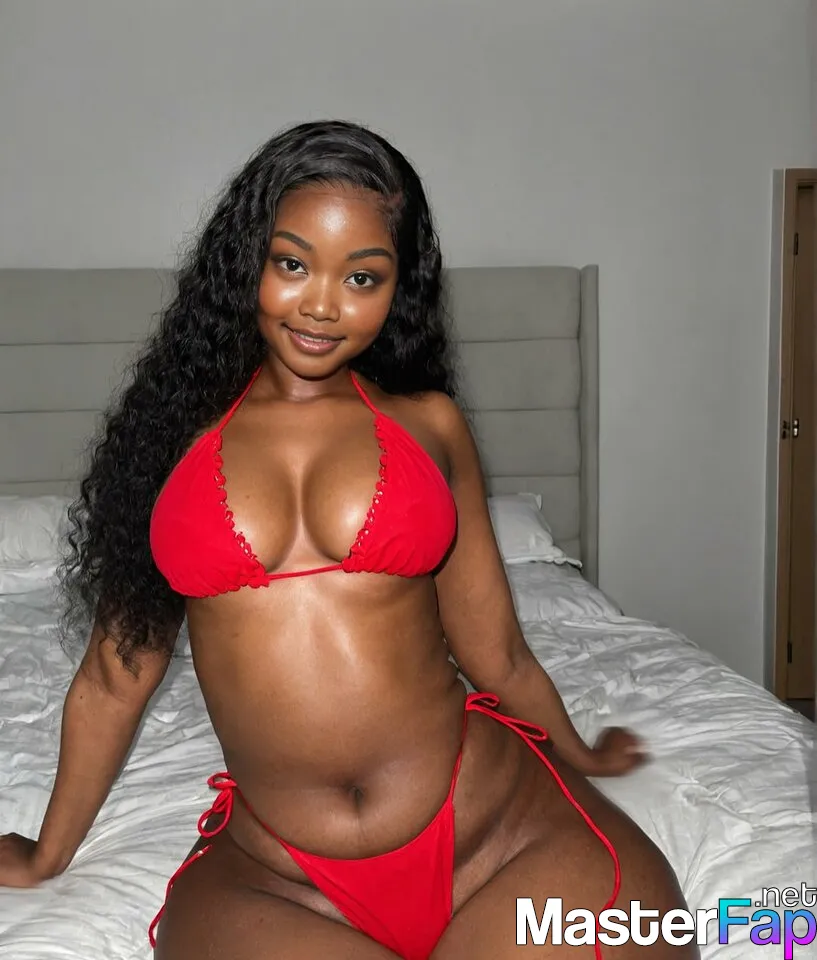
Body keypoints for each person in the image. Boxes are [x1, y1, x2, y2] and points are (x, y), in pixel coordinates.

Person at [0, 120, 696, 959]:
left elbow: (497, 652)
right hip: (278, 875)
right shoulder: (170, 442)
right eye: (292, 264)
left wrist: (580, 754)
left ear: (398, 289)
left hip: (495, 831)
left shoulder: (429, 425)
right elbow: (115, 676)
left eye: (361, 277)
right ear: (246, 263)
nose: (322, 306)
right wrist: (46, 853)